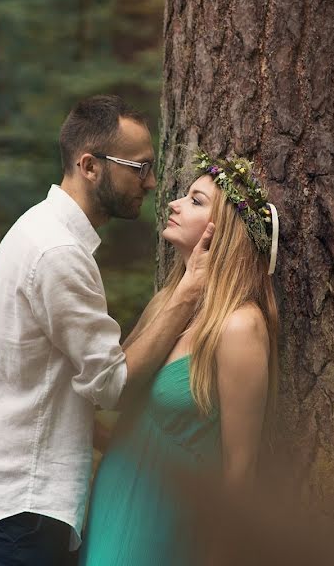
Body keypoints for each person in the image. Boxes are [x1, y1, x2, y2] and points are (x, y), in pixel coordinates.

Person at [0, 95, 215, 565]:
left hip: (17, 512)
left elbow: (81, 381)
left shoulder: (43, 232)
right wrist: (190, 292)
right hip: (19, 517)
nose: (151, 183)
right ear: (90, 166)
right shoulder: (58, 253)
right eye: (139, 167)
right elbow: (112, 385)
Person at [79, 150, 280, 566]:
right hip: (112, 505)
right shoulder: (166, 305)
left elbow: (240, 471)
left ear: (223, 231)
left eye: (195, 200)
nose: (173, 203)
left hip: (169, 525)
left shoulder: (239, 327)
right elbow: (123, 408)